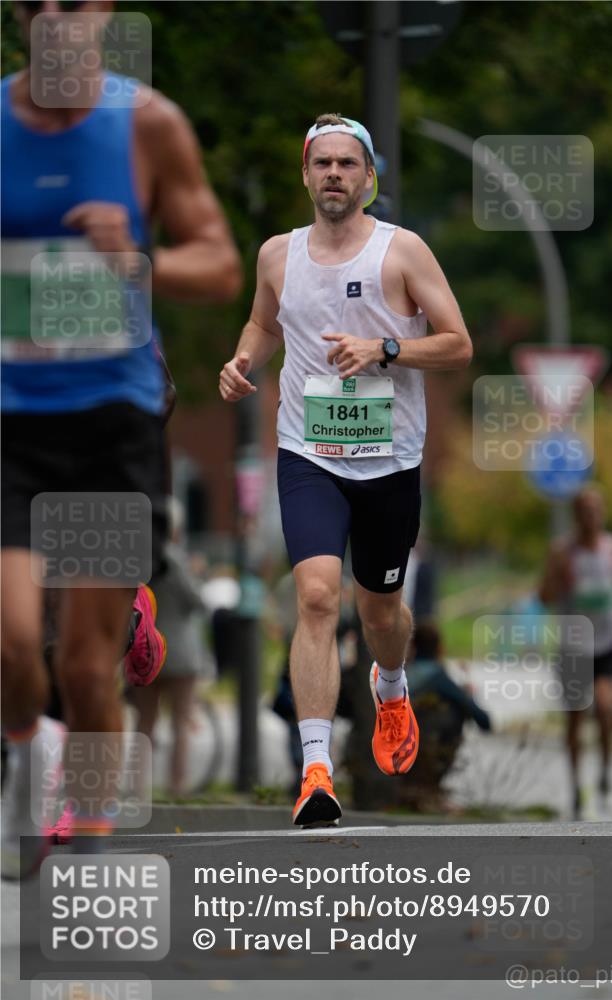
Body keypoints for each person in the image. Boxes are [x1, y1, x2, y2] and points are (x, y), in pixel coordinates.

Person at [1, 1, 242, 878]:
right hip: (11, 422)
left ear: (105, 13)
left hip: (111, 421)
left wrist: (137, 257)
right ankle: (28, 748)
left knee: (90, 668)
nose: (61, 20)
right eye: (42, 4)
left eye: (79, 3)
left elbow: (217, 263)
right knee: (13, 642)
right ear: (22, 15)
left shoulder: (149, 125)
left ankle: (91, 850)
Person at [219, 113, 472, 826]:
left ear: (368, 178)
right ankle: (316, 771)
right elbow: (265, 324)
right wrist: (243, 363)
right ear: (304, 174)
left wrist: (384, 351)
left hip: (389, 459)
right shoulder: (277, 255)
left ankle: (389, 687)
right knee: (317, 599)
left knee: (379, 610)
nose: (333, 174)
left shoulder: (403, 252)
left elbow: (456, 344)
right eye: (321, 163)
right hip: (309, 453)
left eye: (347, 164)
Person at [539, 486, 612, 818]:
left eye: (597, 510)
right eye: (586, 511)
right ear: (577, 516)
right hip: (573, 646)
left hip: (607, 641)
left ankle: (606, 774)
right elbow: (544, 597)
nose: (592, 517)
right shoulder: (561, 551)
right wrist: (559, 581)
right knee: (575, 720)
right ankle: (576, 786)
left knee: (607, 707)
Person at [129, 497, 214, 799]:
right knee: (179, 723)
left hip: (144, 650)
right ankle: (176, 786)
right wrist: (198, 573)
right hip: (179, 654)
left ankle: (137, 788)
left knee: (145, 722)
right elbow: (197, 601)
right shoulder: (175, 559)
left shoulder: (137, 559)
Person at [399, 621, 492, 812]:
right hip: (426, 753)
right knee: (454, 710)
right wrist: (468, 695)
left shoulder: (397, 677)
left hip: (394, 755)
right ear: (440, 649)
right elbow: (484, 721)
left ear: (413, 648)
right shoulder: (440, 680)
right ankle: (429, 787)